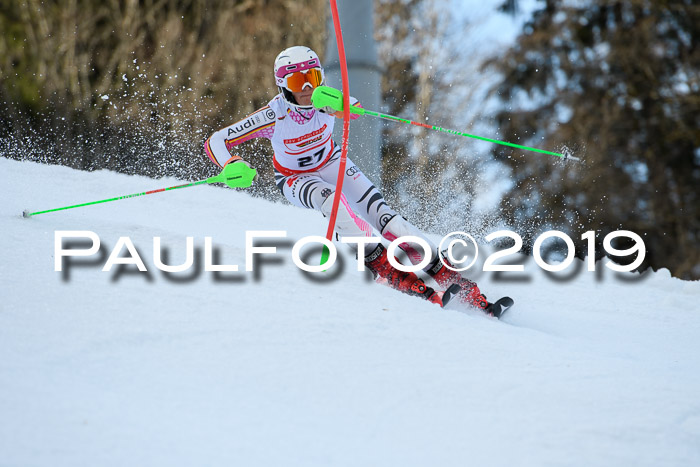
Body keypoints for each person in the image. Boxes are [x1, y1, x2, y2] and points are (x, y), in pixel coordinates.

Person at [204, 45, 491, 309]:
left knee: (382, 214)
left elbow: (350, 105)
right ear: (283, 87)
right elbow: (216, 140)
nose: (306, 87)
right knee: (333, 202)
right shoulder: (273, 116)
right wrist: (229, 163)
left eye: (312, 77)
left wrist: (343, 105)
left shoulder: (325, 100)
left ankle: (443, 271)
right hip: (295, 177)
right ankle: (385, 268)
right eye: (296, 82)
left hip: (331, 161)